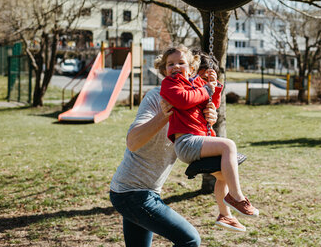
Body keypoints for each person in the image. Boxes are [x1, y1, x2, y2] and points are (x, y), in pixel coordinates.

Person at [109, 52, 218, 247]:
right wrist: (164, 115)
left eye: (205, 82)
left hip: (149, 190)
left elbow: (199, 150)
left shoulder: (194, 109)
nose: (201, 85)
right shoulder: (156, 97)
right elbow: (132, 142)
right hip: (131, 192)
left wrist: (210, 123)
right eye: (171, 64)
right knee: (190, 239)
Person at [159, 46, 258, 233]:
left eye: (181, 63)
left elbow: (211, 104)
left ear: (191, 67)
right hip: (187, 142)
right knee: (228, 145)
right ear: (165, 69)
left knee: (225, 175)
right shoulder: (170, 85)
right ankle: (237, 198)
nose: (175, 66)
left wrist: (215, 87)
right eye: (170, 64)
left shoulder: (196, 83)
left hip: (200, 139)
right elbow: (184, 100)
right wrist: (206, 88)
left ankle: (225, 215)